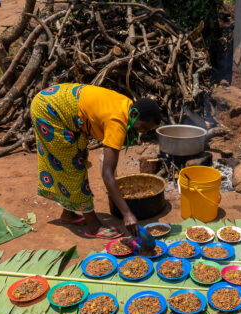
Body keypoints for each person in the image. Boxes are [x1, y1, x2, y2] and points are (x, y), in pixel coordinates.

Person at [30, 83, 161, 238]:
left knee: (77, 158)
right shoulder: (117, 121)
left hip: (57, 99)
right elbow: (107, 174)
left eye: (148, 130)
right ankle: (92, 225)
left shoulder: (128, 107)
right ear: (134, 115)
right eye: (144, 127)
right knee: (72, 168)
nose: (144, 132)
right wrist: (127, 214)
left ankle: (68, 213)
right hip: (50, 111)